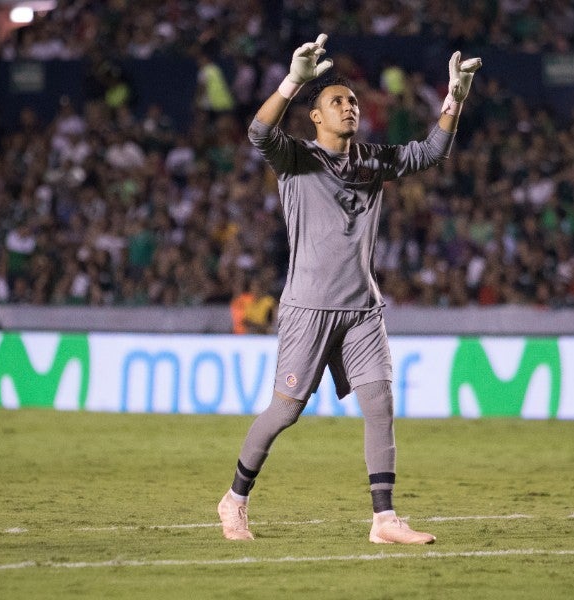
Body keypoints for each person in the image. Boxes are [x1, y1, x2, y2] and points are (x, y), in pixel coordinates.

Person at [217, 33, 481, 544]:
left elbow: (431, 152)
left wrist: (456, 98)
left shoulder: (373, 160)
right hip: (308, 309)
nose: (349, 106)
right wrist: (294, 82)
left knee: (380, 403)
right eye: (337, 101)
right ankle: (234, 499)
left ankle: (384, 520)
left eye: (354, 101)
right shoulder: (296, 159)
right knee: (284, 412)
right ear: (316, 117)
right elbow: (256, 133)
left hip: (362, 308)